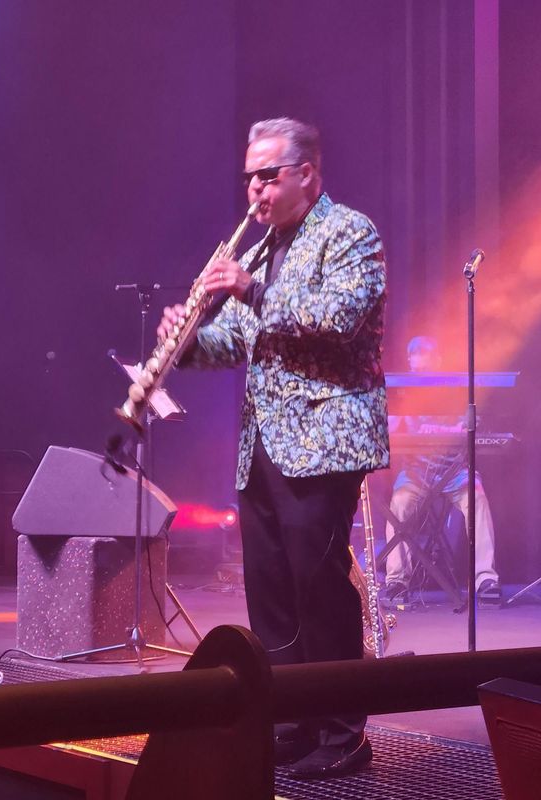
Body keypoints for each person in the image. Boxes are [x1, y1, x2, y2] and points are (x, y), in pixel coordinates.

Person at [154, 117, 389, 779]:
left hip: (325, 442)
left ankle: (343, 733)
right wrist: (184, 340)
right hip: (263, 446)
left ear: (306, 174)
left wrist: (250, 289)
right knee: (271, 594)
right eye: (249, 178)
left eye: (267, 175)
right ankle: (291, 721)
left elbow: (339, 319)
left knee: (321, 592)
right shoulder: (261, 250)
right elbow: (235, 341)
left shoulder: (350, 232)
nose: (254, 190)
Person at [383, 335, 501, 606]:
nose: (420, 365)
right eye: (415, 359)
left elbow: (470, 425)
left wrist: (443, 429)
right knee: (399, 504)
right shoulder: (404, 390)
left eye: (426, 358)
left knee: (477, 498)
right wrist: (400, 414)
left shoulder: (456, 388)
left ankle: (486, 578)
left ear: (437, 360)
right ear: (410, 362)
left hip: (454, 472)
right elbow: (391, 428)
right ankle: (397, 580)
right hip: (416, 472)